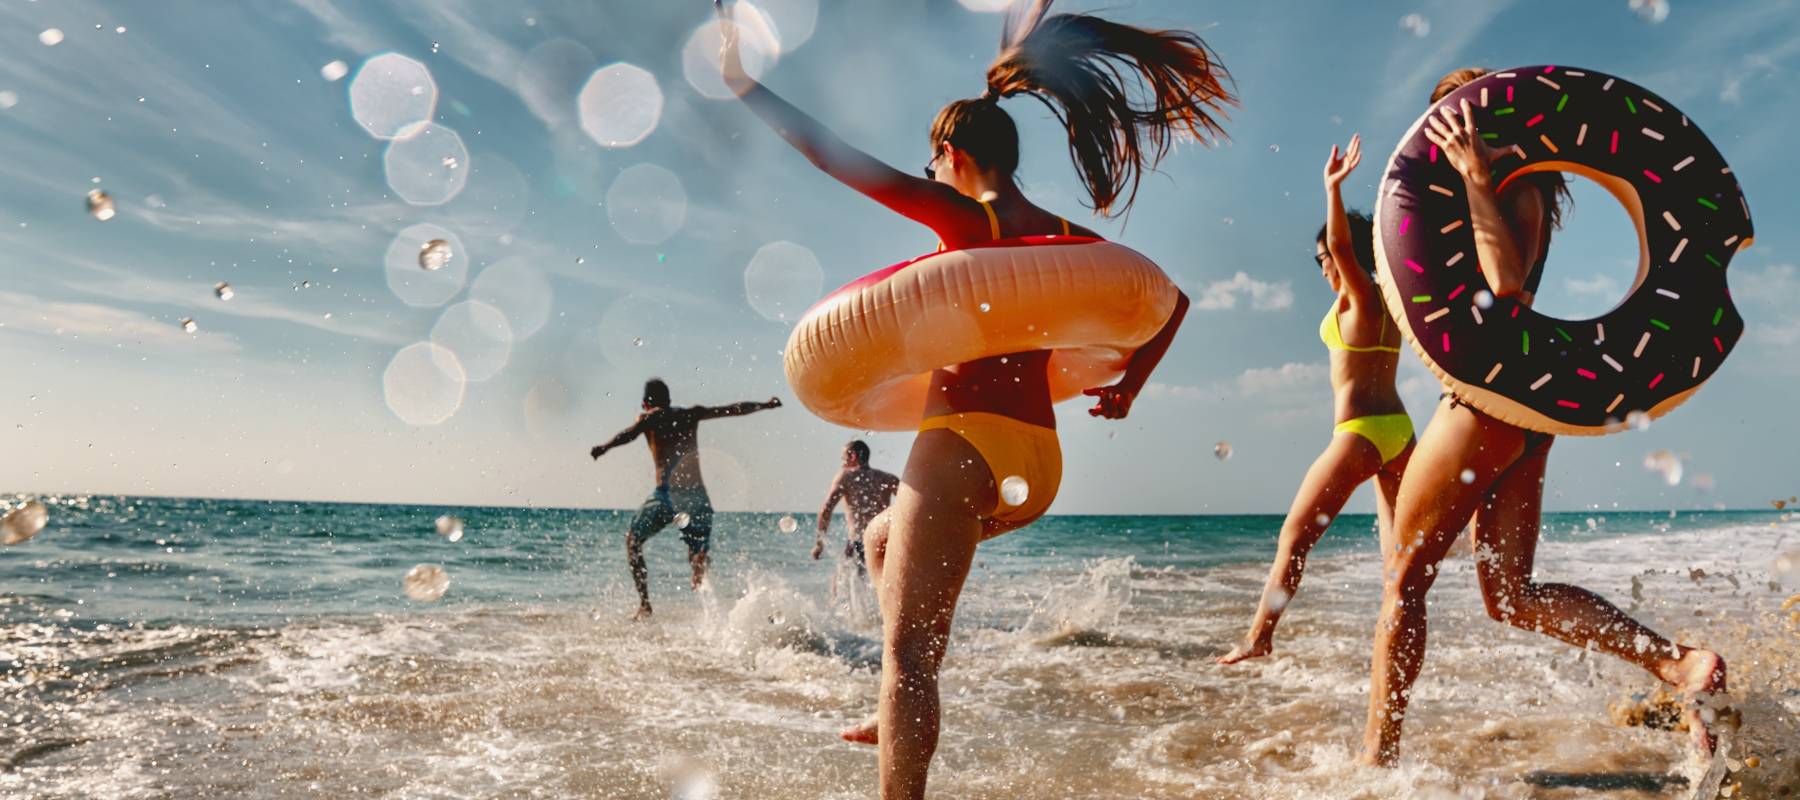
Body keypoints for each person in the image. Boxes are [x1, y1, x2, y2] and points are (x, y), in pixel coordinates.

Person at [717, 1, 1221, 795]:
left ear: (951, 156)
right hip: (1037, 464)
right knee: (879, 539)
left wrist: (743, 83)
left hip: (962, 447)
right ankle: (895, 709)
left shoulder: (968, 223)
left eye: (931, 166)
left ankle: (900, 719)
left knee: (909, 660)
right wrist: (1128, 387)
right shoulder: (1064, 237)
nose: (928, 178)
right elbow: (1173, 302)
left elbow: (833, 156)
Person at [1358, 67, 1725, 767]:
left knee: (1403, 583)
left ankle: (1376, 763)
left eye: (1453, 125)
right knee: (1511, 597)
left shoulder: (1506, 189)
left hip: (1485, 406)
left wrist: (1473, 177)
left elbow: (1504, 285)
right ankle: (1679, 664)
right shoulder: (1514, 193)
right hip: (1523, 413)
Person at [1218, 135, 1414, 665]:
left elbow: (1345, 249)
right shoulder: (1392, 301)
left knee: (1293, 538)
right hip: (1400, 433)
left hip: (1361, 433)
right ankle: (1393, 650)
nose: (1323, 268)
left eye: (1321, 258)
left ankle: (1258, 637)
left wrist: (1332, 189)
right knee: (1397, 564)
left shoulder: (1361, 297)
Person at [588, 378, 782, 619]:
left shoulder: (648, 418)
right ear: (669, 399)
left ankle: (645, 605)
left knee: (633, 541)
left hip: (667, 495)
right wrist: (765, 405)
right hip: (697, 497)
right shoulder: (691, 414)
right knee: (696, 549)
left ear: (645, 403)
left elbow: (628, 435)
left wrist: (604, 447)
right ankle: (699, 560)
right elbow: (732, 409)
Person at [813, 440, 900, 575]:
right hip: (885, 544)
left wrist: (819, 543)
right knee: (882, 583)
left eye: (844, 458)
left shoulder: (846, 476)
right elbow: (909, 506)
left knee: (841, 584)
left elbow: (827, 509)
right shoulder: (887, 478)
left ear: (853, 456)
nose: (843, 463)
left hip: (859, 542)